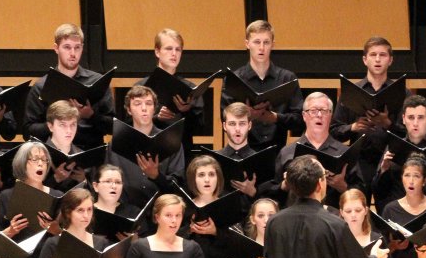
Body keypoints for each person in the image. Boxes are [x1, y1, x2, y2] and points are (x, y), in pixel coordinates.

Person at [24, 24, 115, 149]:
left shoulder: (98, 81)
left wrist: (91, 116)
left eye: (77, 48)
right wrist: (55, 122)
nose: (73, 53)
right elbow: (28, 130)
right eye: (67, 47)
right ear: (56, 48)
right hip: (54, 156)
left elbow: (112, 127)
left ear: (82, 48)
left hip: (90, 153)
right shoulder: (41, 86)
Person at [331, 35, 408, 184]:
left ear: (390, 60)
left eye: (383, 55)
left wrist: (387, 124)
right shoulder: (351, 92)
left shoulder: (403, 93)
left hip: (391, 163)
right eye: (373, 55)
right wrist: (353, 127)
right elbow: (334, 131)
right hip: (358, 165)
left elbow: (409, 136)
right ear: (365, 60)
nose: (378, 59)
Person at [219, 20, 304, 151]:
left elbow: (300, 120)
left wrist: (275, 118)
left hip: (278, 153)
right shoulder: (234, 79)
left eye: (266, 42)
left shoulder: (287, 78)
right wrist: (248, 116)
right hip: (243, 152)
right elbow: (224, 120)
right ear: (247, 44)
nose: (262, 48)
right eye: (257, 42)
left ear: (273, 45)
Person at [273, 91, 364, 208]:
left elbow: (362, 193)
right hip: (297, 220)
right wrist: (285, 185)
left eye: (324, 111)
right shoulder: (287, 152)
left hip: (334, 220)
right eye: (313, 111)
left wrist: (342, 186)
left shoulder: (345, 152)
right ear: (304, 116)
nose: (319, 115)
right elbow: (274, 196)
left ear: (331, 116)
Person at [105, 85, 186, 210]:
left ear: (154, 109)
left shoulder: (171, 141)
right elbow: (108, 182)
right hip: (125, 212)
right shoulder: (117, 143)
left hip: (161, 213)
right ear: (129, 110)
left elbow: (178, 187)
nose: (144, 108)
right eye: (137, 104)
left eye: (149, 103)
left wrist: (156, 176)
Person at [372, 94, 426, 210]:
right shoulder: (394, 147)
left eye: (421, 117)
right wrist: (384, 170)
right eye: (411, 117)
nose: (415, 123)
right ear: (403, 119)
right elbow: (378, 192)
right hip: (399, 214)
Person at [136, 28, 206, 153]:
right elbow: (129, 124)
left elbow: (199, 128)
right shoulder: (141, 87)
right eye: (169, 48)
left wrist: (186, 111)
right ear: (157, 52)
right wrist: (157, 118)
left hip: (181, 154)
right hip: (148, 152)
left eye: (178, 49)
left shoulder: (190, 89)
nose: (174, 53)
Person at [41, 101, 88, 193]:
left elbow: (93, 198)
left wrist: (83, 181)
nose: (69, 131)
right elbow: (30, 196)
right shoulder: (37, 155)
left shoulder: (83, 156)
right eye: (63, 125)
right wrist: (55, 179)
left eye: (73, 124)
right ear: (50, 126)